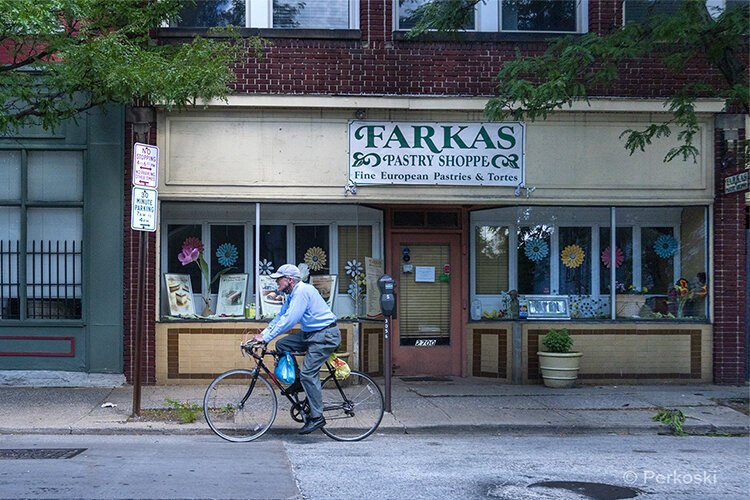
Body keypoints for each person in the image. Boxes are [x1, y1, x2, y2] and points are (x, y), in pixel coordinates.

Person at [251, 264, 340, 435]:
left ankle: (317, 416)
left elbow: (290, 320)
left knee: (309, 373)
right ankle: (298, 382)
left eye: (279, 279)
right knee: (283, 345)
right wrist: (263, 334)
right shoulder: (291, 294)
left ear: (290, 280)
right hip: (311, 334)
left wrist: (266, 338)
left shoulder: (302, 291)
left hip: (325, 336)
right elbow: (281, 317)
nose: (277, 283)